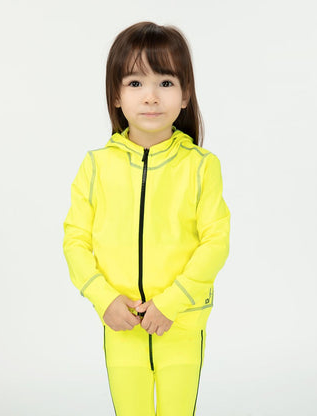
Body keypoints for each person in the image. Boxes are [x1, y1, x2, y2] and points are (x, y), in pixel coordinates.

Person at [63, 21, 230, 416]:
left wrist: (172, 303)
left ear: (185, 95)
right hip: (121, 323)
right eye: (135, 83)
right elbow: (75, 240)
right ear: (116, 95)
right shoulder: (96, 166)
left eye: (166, 82)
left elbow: (216, 241)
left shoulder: (201, 166)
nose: (151, 96)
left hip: (181, 323)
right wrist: (104, 299)